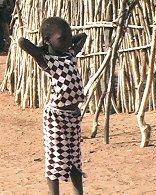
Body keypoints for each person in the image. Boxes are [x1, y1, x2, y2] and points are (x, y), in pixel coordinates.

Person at [18, 17, 87, 195]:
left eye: (68, 37)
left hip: (73, 116)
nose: (67, 42)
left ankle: (79, 193)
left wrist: (67, 39)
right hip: (56, 117)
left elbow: (84, 36)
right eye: (61, 38)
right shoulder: (47, 60)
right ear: (48, 40)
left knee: (75, 159)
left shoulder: (69, 55)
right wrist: (43, 49)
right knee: (56, 158)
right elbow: (22, 42)